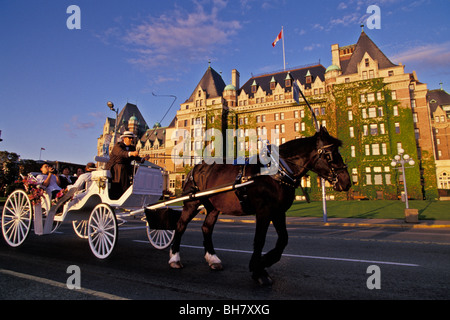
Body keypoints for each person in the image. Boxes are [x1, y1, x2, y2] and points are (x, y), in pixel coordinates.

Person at [105, 131, 149, 199]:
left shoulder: (132, 148)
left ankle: (137, 188)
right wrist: (131, 153)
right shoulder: (118, 145)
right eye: (130, 138)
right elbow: (121, 153)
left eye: (132, 138)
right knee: (122, 167)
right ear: (124, 138)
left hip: (126, 166)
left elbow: (136, 158)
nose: (131, 139)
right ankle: (122, 191)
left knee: (138, 169)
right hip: (115, 166)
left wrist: (143, 159)